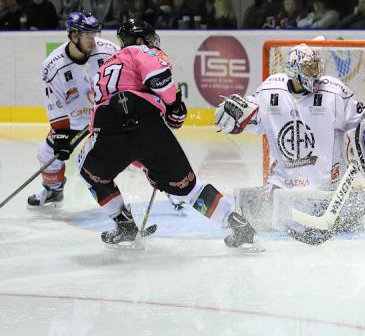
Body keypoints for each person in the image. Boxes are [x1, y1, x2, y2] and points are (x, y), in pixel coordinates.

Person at [76, 19, 259, 249]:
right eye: (150, 40)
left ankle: (123, 223)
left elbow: (115, 132)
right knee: (189, 188)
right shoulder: (140, 50)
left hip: (109, 127)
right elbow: (159, 77)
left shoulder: (103, 69)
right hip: (149, 126)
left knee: (87, 171)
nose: (153, 44)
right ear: (140, 40)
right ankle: (237, 223)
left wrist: (145, 164)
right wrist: (173, 105)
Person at [214, 43, 365, 229]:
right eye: (308, 68)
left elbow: (363, 123)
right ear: (293, 70)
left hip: (327, 187)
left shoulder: (334, 92)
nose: (315, 73)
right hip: (282, 185)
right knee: (259, 223)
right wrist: (233, 120)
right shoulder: (270, 90)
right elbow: (249, 116)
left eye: (316, 67)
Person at [27, 11, 119, 207]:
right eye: (88, 36)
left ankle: (170, 189)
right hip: (76, 119)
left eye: (95, 35)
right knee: (47, 154)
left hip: (109, 115)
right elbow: (55, 103)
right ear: (73, 35)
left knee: (138, 146)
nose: (93, 40)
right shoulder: (52, 66)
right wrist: (61, 136)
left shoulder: (109, 51)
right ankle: (53, 190)